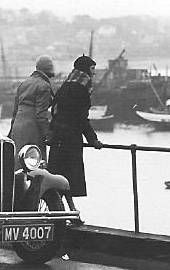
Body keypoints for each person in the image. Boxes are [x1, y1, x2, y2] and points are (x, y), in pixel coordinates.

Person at [48, 55, 103, 222]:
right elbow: (81, 118)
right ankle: (69, 212)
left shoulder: (66, 85)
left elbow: (55, 111)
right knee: (69, 177)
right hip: (70, 138)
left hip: (58, 136)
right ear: (86, 69)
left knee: (59, 177)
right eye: (92, 69)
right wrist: (93, 139)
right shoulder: (81, 89)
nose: (94, 73)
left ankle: (68, 212)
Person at [8, 55, 56, 157]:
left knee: (18, 163)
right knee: (34, 163)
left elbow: (14, 112)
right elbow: (40, 114)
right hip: (33, 129)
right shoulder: (44, 86)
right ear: (48, 68)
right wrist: (49, 134)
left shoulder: (24, 83)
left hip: (18, 127)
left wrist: (11, 132)